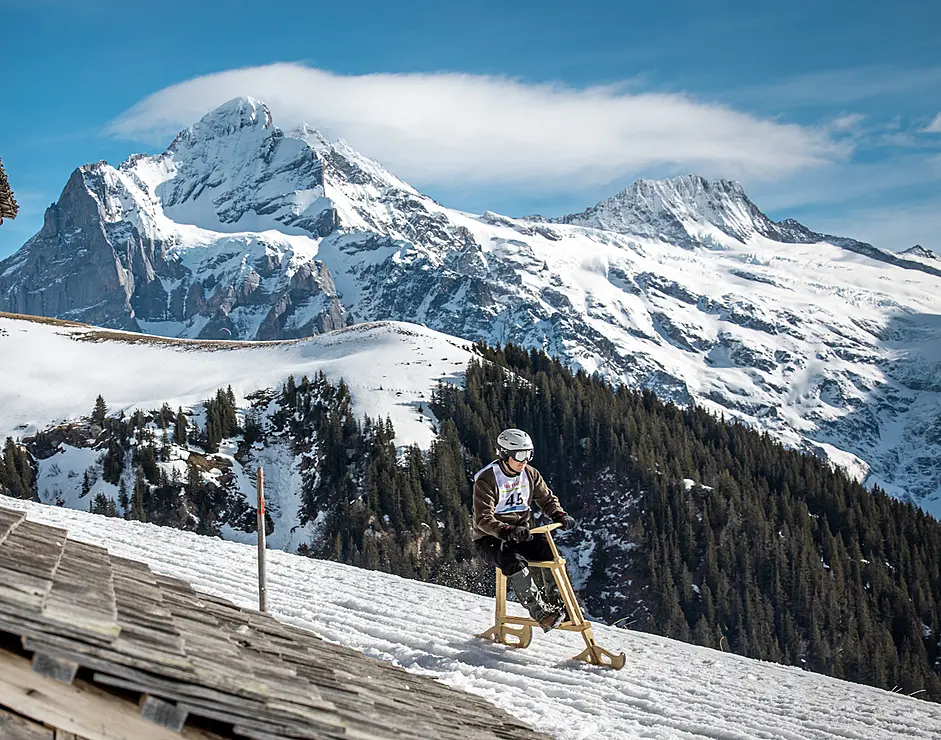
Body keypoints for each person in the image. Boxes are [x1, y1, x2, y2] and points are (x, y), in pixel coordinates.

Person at [472, 428, 577, 631]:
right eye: (520, 455)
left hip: (521, 533)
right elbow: (482, 519)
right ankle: (542, 614)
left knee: (550, 554)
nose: (524, 461)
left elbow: (546, 498)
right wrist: (505, 530)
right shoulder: (487, 479)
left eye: (528, 454)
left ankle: (558, 605)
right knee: (514, 562)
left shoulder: (529, 474)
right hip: (490, 538)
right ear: (504, 454)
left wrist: (559, 515)